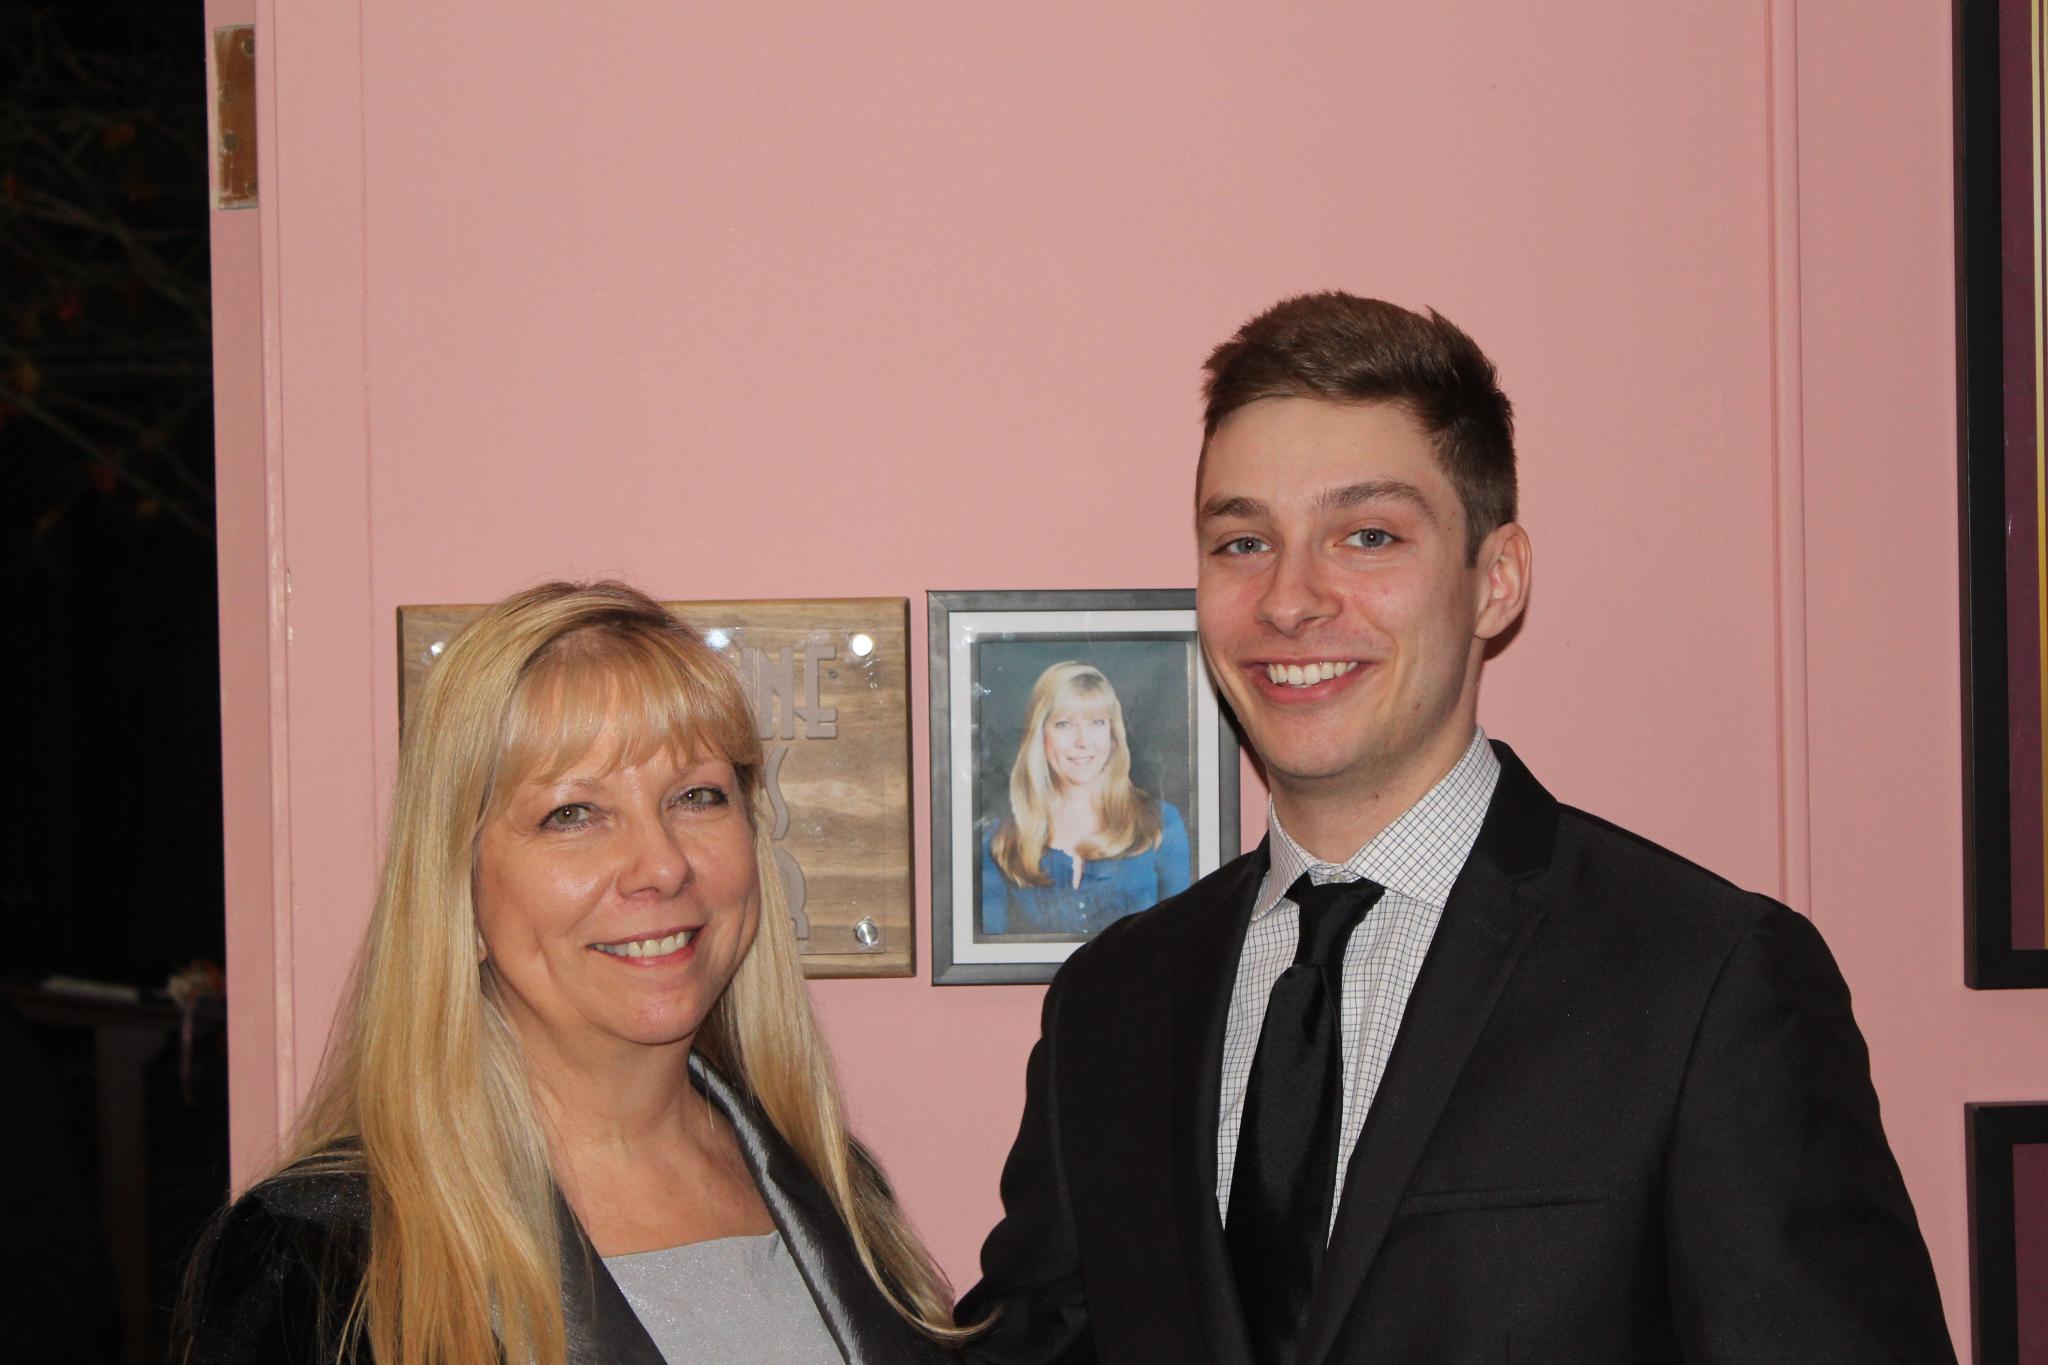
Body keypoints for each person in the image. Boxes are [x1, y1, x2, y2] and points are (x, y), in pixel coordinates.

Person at [958, 293, 1953, 1362]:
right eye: (1242, 541)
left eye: (1368, 535)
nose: (1289, 600)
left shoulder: (1704, 982)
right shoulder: (1111, 1003)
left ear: (1496, 580)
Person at [184, 582, 963, 1364]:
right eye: (573, 814)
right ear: (458, 883)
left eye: (696, 796)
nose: (661, 864)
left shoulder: (838, 1190)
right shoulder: (321, 1256)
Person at [979, 661, 1191, 937]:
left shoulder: (1160, 824)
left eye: (1097, 723)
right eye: (1064, 724)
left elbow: (1184, 943)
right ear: (1039, 735)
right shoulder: (1000, 842)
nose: (1083, 741)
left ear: (1113, 735)